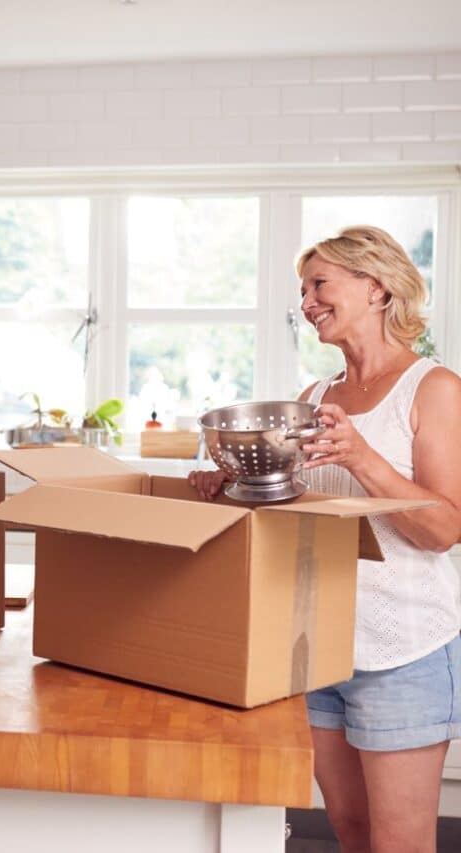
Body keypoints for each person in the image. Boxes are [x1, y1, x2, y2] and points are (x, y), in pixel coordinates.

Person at [190, 225, 461, 852]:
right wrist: (229, 486)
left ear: (375, 287)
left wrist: (364, 457)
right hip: (320, 646)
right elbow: (294, 511)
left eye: (319, 284)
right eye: (302, 289)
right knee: (350, 829)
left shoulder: (433, 388)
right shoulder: (312, 399)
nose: (306, 302)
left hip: (406, 651)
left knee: (399, 843)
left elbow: (444, 528)